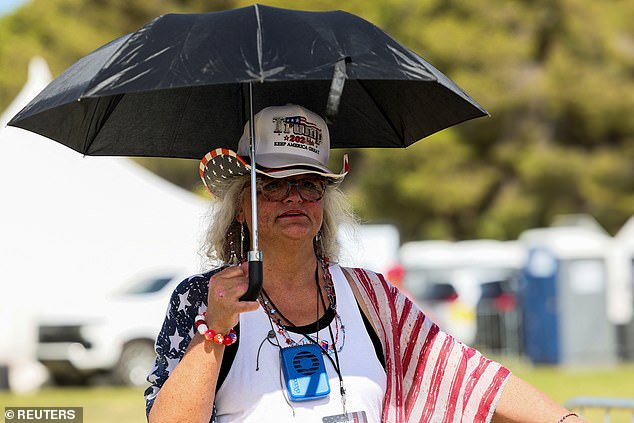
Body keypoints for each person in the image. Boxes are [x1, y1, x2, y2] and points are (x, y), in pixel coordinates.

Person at [144, 104, 583, 423]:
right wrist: (217, 328)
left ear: (324, 203)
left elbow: (468, 375)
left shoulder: (371, 296)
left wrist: (566, 422)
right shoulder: (203, 298)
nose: (294, 197)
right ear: (241, 206)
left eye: (309, 184)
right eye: (273, 185)